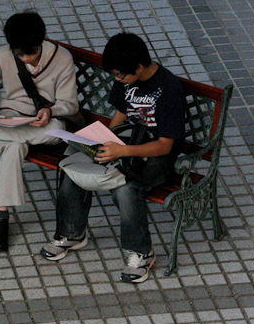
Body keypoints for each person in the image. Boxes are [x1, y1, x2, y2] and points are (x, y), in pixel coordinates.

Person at [38, 32, 184, 284]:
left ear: (139, 66)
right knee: (74, 166)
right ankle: (71, 234)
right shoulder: (126, 79)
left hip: (156, 158)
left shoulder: (168, 90)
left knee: (127, 187)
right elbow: (120, 113)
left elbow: (164, 146)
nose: (117, 79)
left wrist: (122, 151)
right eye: (115, 75)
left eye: (120, 75)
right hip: (126, 144)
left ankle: (141, 253)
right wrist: (104, 140)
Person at [0, 11, 78, 252]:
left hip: (45, 121)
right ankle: (1, 216)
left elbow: (70, 104)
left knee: (56, 131)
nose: (25, 59)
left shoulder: (62, 58)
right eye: (19, 54)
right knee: (12, 147)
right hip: (12, 117)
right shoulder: (5, 56)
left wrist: (51, 111)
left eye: (30, 53)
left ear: (40, 42)